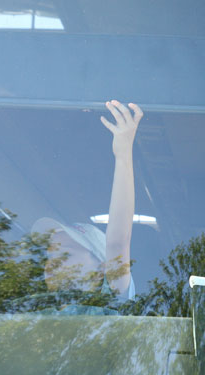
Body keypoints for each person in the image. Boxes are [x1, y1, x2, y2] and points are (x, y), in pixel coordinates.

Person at [33, 100, 143, 302]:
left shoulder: (112, 298)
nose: (51, 265)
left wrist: (123, 153)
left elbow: (118, 242)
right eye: (49, 257)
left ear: (102, 267)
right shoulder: (39, 313)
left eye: (65, 255)